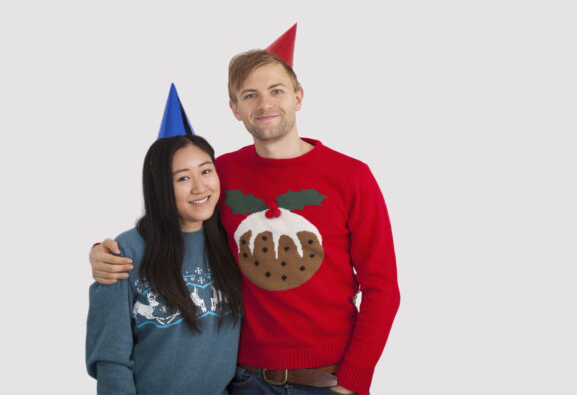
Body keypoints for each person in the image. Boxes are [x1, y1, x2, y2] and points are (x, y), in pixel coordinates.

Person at [90, 25, 399, 395]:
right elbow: (175, 219)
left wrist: (355, 378)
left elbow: (382, 288)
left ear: (299, 97)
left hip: (328, 380)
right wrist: (105, 252)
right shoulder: (222, 174)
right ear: (235, 109)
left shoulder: (351, 176)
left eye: (277, 91)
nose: (265, 104)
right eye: (250, 95)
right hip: (243, 380)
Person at [86, 114, 244, 394]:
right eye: (183, 178)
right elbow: (111, 358)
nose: (199, 187)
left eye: (206, 171)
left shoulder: (231, 243)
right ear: (160, 187)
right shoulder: (124, 253)